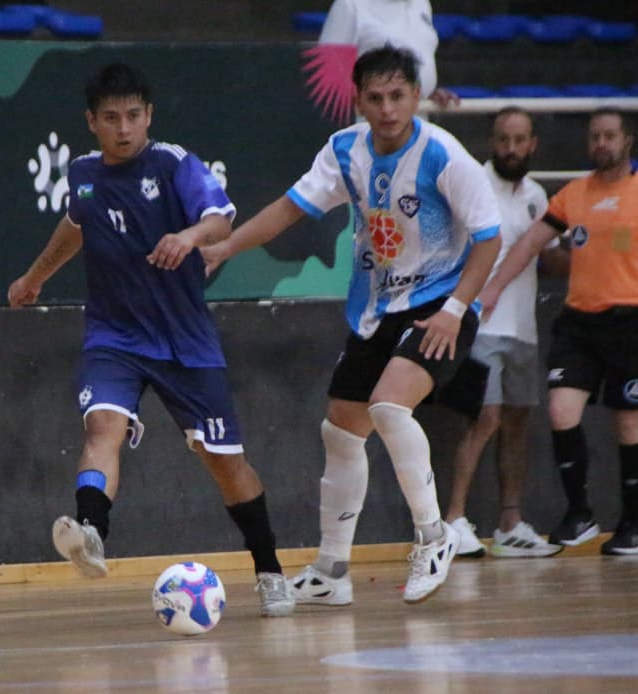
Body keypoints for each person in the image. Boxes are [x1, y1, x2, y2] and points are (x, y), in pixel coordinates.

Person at [202, 45, 501, 604]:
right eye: (375, 97)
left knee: (390, 405)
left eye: (397, 96)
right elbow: (289, 209)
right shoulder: (345, 152)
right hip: (378, 306)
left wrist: (456, 310)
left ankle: (435, 538)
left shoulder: (444, 155)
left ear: (415, 96)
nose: (387, 108)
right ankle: (332, 571)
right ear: (358, 100)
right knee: (341, 428)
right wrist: (228, 247)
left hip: (443, 303)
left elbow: (490, 239)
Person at [7, 63, 295, 617]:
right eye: (110, 117)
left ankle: (269, 567)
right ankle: (91, 531)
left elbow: (220, 220)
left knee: (224, 462)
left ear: (149, 116)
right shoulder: (85, 173)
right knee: (102, 426)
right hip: (114, 337)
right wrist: (37, 274)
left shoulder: (173, 164)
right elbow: (76, 223)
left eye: (133, 116)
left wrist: (186, 237)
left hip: (184, 342)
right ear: (91, 121)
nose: (123, 128)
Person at [479, 107, 638, 555]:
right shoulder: (572, 196)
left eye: (610, 136)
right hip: (579, 324)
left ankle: (633, 527)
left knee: (629, 423)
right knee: (562, 410)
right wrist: (494, 289)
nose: (601, 143)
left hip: (633, 323)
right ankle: (579, 512)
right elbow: (529, 244)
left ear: (628, 141)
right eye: (595, 136)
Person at [444, 107, 563, 559]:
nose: (511, 149)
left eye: (519, 140)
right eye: (503, 140)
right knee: (485, 419)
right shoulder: (473, 185)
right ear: (492, 142)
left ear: (532, 144)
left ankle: (510, 523)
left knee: (516, 422)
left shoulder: (537, 195)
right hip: (480, 325)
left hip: (524, 329)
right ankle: (454, 519)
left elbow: (550, 256)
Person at [316, 0, 459, 110]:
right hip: (364, 132)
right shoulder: (349, 5)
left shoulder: (421, 3)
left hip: (416, 127)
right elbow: (326, 79)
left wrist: (426, 92)